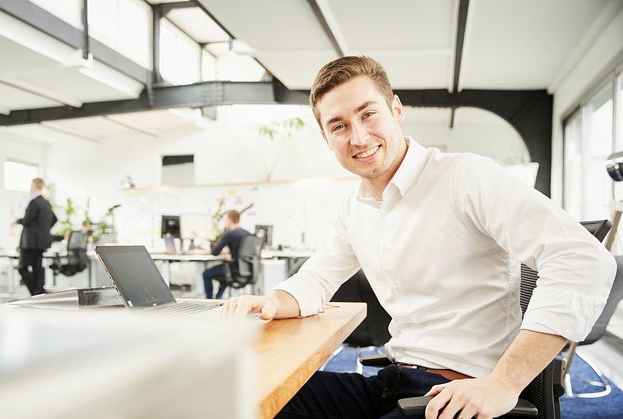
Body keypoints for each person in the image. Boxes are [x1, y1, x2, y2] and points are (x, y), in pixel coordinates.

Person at [222, 56, 616, 419]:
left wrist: (505, 384)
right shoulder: (353, 208)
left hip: (458, 391)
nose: (358, 137)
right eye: (339, 125)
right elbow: (316, 280)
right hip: (393, 382)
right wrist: (272, 301)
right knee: (243, 396)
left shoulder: (465, 177)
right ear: (327, 139)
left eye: (368, 114)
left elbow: (584, 261)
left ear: (396, 110)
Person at [15, 178, 57, 296]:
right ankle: (39, 292)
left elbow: (27, 221)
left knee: (22, 267)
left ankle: (35, 291)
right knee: (37, 267)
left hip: (30, 242)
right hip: (41, 242)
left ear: (33, 186)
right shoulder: (46, 202)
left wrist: (16, 220)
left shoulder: (34, 202)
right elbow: (54, 219)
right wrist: (43, 230)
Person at [202, 209, 250, 299]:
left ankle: (209, 301)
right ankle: (218, 297)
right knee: (224, 274)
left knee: (206, 274)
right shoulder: (247, 234)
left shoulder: (230, 234)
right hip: (246, 270)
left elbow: (214, 252)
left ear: (229, 220)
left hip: (234, 269)